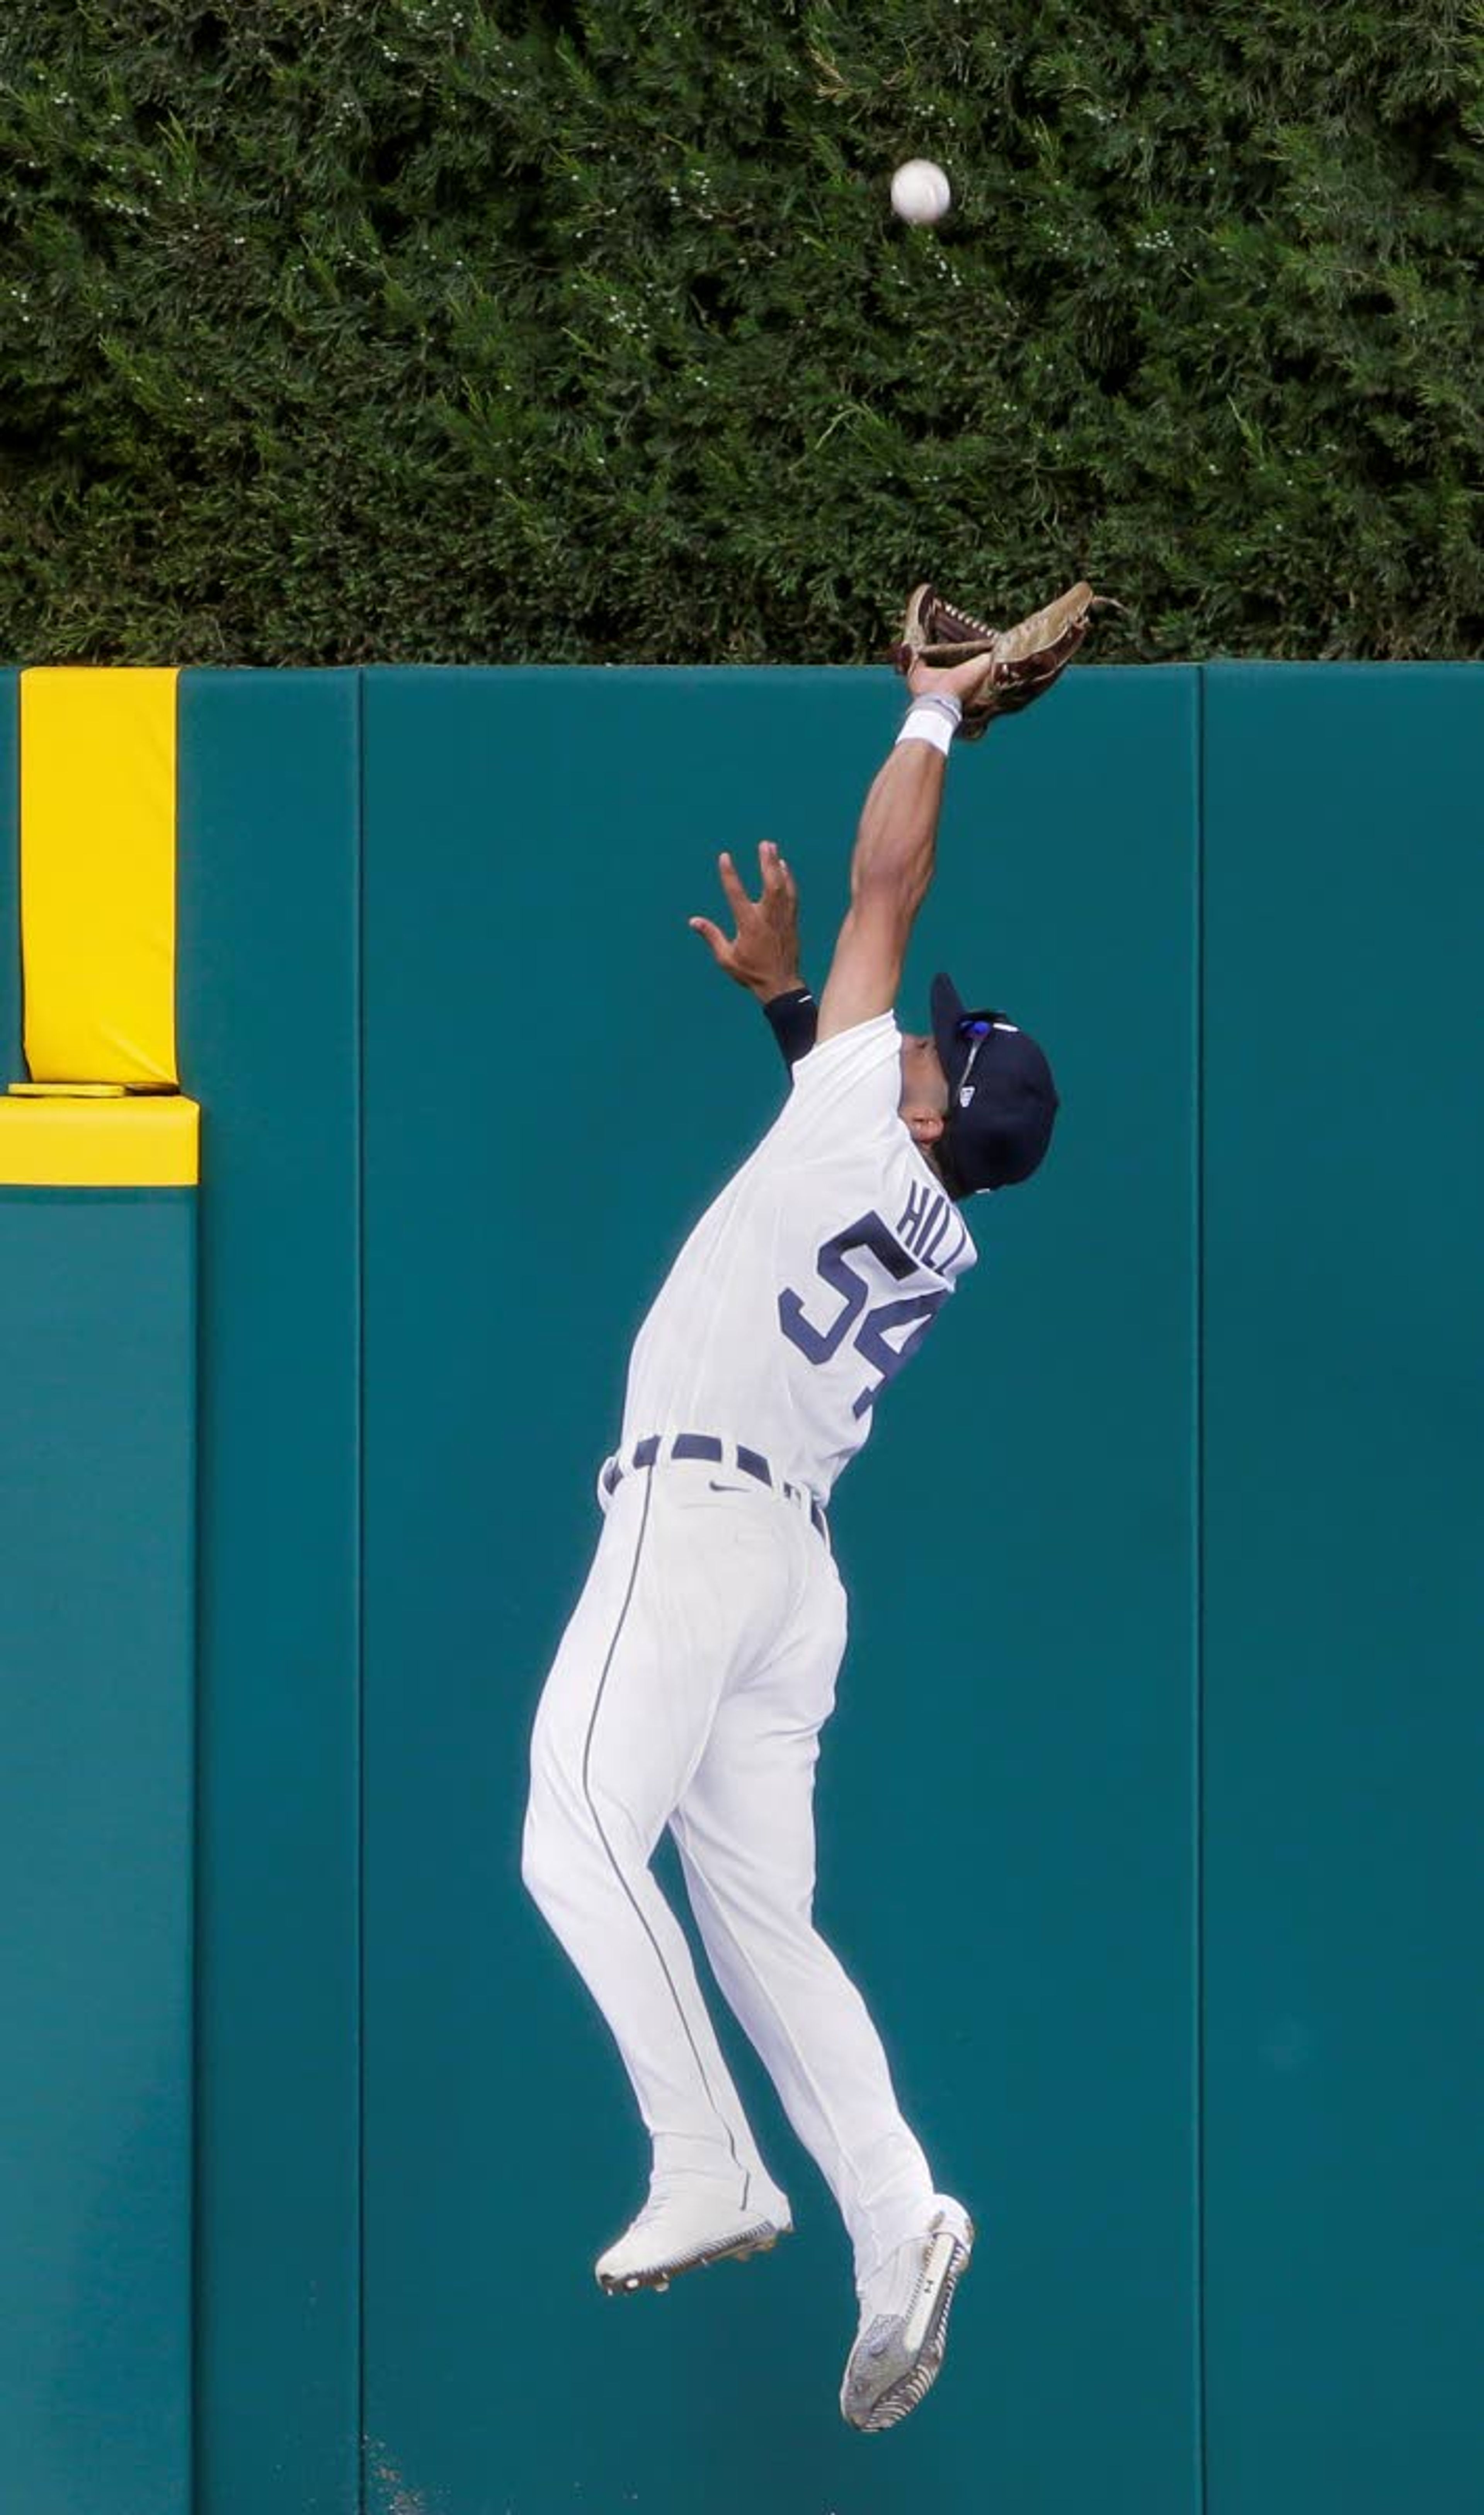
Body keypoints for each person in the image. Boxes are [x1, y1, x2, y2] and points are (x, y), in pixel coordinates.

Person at [522, 581, 1096, 2432]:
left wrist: (932, 713)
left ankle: (714, 2158)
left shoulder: (872, 1120)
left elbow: (883, 888)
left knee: (568, 1837)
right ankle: (896, 2206)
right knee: (767, 1928)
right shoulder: (922, 1197)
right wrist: (788, 1002)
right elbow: (838, 1054)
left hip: (695, 1533)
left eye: (937, 1045)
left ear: (937, 1107)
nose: (910, 1032)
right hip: (794, 1577)